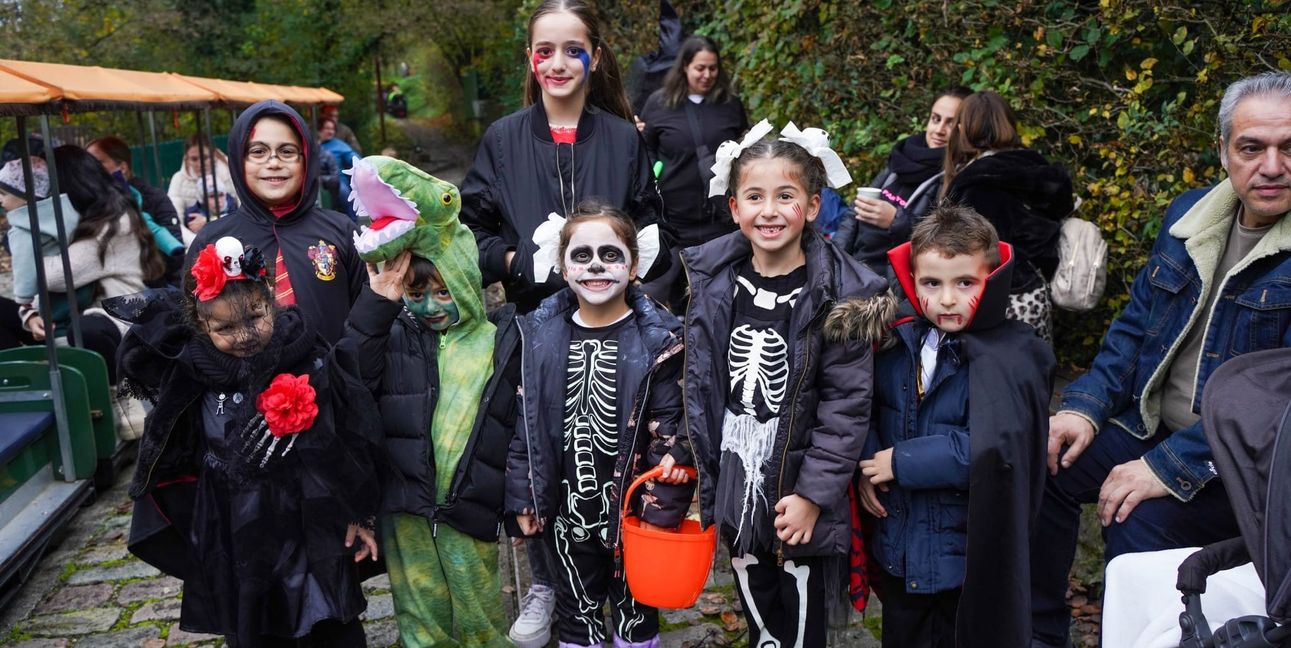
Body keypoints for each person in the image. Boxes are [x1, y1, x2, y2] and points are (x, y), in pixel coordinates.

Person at [1030, 71, 1291, 648]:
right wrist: (1083, 408)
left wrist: (1165, 468)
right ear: (1223, 151)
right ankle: (1038, 634)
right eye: (1252, 147)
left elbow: (1280, 412)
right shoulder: (1190, 215)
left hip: (1246, 471)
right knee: (1039, 461)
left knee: (1133, 518)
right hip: (1150, 426)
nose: (1271, 166)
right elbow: (1135, 329)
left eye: (1288, 147)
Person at [681, 122, 891, 647]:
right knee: (751, 583)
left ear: (813, 207)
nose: (769, 211)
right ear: (734, 208)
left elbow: (846, 406)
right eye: (755, 197)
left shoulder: (839, 297)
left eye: (785, 196)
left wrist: (814, 496)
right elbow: (700, 384)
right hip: (736, 471)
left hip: (799, 483)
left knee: (802, 606)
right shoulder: (713, 284)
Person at [119, 236, 382, 646]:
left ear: (270, 302)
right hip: (235, 525)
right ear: (201, 326)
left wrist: (356, 510)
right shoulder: (192, 374)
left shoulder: (305, 353)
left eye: (255, 317)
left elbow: (344, 435)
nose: (244, 335)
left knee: (328, 621)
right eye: (225, 328)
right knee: (253, 622)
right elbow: (172, 442)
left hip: (310, 519)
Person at [857, 205, 1055, 648]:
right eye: (932, 283)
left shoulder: (1014, 355)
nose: (947, 299)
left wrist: (900, 462)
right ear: (912, 280)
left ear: (992, 278)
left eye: (965, 283)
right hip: (901, 547)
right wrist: (868, 465)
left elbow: (1000, 444)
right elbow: (867, 408)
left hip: (962, 555)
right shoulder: (896, 341)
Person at [343, 156, 521, 647]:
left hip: (469, 508)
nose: (430, 306)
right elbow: (352, 379)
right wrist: (377, 306)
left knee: (480, 614)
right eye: (417, 293)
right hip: (405, 508)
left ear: (464, 279)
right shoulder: (393, 334)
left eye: (444, 292)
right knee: (419, 614)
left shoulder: (499, 341)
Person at [505, 201, 692, 648]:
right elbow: (525, 426)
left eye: (610, 255)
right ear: (562, 267)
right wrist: (525, 496)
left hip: (634, 514)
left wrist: (660, 512)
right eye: (581, 255)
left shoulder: (659, 342)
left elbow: (671, 435)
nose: (595, 266)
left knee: (636, 610)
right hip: (566, 513)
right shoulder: (539, 338)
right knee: (575, 611)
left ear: (634, 266)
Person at [459, 0, 668, 315]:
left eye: (573, 51)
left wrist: (623, 263)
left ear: (595, 58)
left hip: (613, 324)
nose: (557, 64)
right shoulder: (502, 139)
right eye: (545, 51)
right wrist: (514, 261)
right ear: (530, 57)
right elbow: (467, 232)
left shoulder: (624, 138)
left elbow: (655, 229)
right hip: (529, 324)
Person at [187, 100, 365, 345]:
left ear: (306, 159)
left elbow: (368, 321)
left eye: (287, 151)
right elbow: (196, 330)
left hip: (338, 368)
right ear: (239, 160)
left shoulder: (341, 231)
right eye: (258, 152)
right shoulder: (211, 240)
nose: (273, 162)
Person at [16, 146, 166, 383]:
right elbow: (32, 286)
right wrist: (30, 314)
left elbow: (54, 276)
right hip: (61, 317)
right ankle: (18, 384)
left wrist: (23, 232)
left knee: (86, 329)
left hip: (111, 315)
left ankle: (116, 390)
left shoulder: (115, 222)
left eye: (45, 184)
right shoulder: (75, 219)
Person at [938, 91, 1073, 342]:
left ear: (965, 127)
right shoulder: (1037, 170)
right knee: (1032, 362)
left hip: (990, 298)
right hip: (1034, 293)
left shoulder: (977, 183)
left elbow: (961, 250)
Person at [638, 35, 748, 307]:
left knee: (718, 299)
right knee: (658, 298)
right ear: (685, 66)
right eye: (700, 68)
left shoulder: (730, 104)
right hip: (674, 220)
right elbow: (646, 149)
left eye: (713, 68)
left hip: (720, 220)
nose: (707, 75)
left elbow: (742, 149)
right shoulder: (659, 103)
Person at [832, 86, 972, 281]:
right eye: (935, 119)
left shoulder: (958, 177)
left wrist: (896, 220)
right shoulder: (903, 157)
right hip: (852, 270)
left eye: (951, 123)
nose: (939, 130)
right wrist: (833, 261)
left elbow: (945, 242)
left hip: (888, 282)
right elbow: (852, 214)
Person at [88, 135, 183, 241]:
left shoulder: (154, 198)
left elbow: (174, 244)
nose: (88, 168)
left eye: (97, 163)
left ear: (122, 168)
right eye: (85, 163)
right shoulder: (84, 202)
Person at [167, 133, 234, 220]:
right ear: (187, 159)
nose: (200, 164)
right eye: (194, 159)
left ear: (214, 155)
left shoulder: (232, 173)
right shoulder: (178, 180)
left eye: (205, 158)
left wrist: (207, 221)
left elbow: (243, 213)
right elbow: (175, 219)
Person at [318, 116, 357, 221]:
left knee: (345, 195)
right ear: (319, 129)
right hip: (317, 180)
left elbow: (353, 157)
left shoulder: (340, 145)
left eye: (332, 129)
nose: (330, 131)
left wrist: (361, 164)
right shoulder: (314, 145)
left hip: (337, 180)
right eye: (327, 128)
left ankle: (352, 222)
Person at [180, 176, 238, 247]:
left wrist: (207, 221)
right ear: (202, 199)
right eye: (212, 196)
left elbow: (235, 222)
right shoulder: (193, 214)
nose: (218, 201)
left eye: (221, 195)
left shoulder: (233, 205)